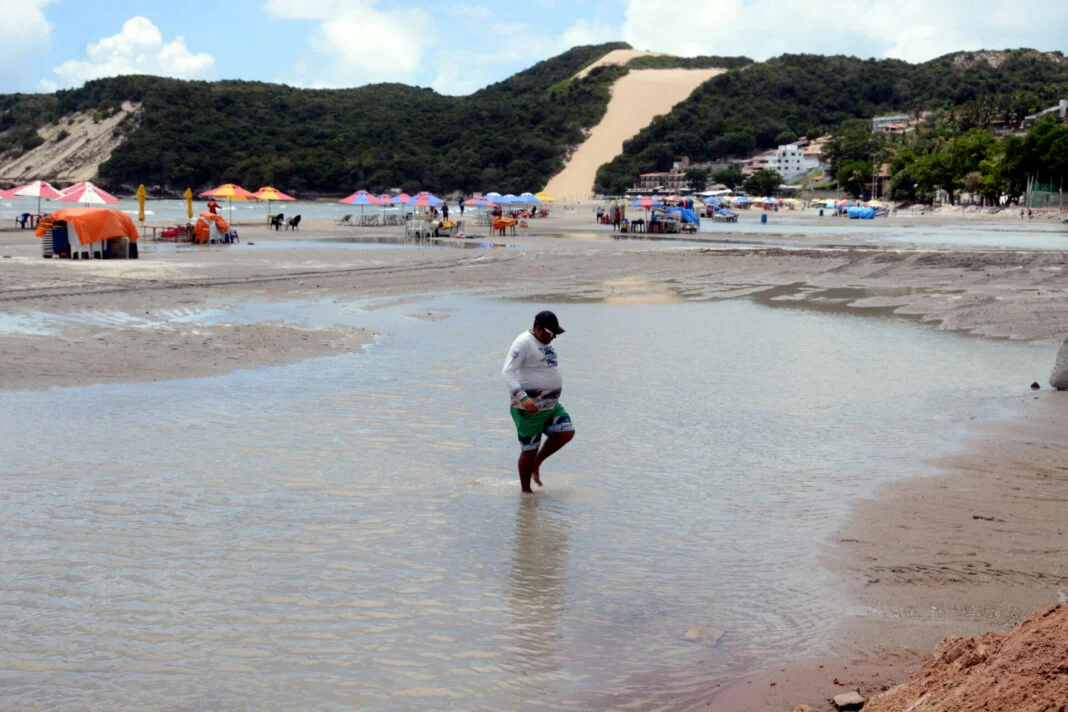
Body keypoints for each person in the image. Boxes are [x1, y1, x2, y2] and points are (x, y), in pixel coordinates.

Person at [502, 311, 575, 493]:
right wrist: (523, 397)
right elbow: (508, 371)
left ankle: (537, 462)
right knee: (529, 449)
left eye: (555, 333)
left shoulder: (547, 342)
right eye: (551, 333)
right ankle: (526, 494)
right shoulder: (523, 342)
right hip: (529, 408)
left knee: (566, 432)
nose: (553, 337)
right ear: (538, 328)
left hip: (550, 406)